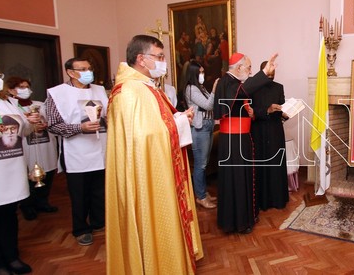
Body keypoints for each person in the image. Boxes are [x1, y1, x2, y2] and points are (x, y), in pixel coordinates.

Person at [106, 35, 203, 274]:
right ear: (141, 59)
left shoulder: (147, 87)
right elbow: (141, 139)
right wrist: (178, 122)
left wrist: (179, 118)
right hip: (144, 173)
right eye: (159, 57)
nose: (163, 62)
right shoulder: (128, 92)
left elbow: (157, 125)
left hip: (160, 162)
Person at [45, 57, 108, 247]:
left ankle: (99, 222)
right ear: (70, 72)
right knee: (80, 194)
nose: (88, 71)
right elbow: (53, 125)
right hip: (76, 152)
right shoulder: (57, 94)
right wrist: (80, 128)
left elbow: (108, 115)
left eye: (90, 68)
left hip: (101, 148)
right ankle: (81, 229)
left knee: (99, 190)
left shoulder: (99, 90)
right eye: (82, 69)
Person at [213, 52, 278, 234]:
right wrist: (264, 72)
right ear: (239, 67)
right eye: (249, 68)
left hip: (239, 138)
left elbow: (237, 103)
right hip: (234, 142)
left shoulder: (231, 82)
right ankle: (238, 221)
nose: (250, 72)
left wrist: (248, 111)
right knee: (237, 179)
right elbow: (244, 91)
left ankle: (241, 217)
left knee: (241, 178)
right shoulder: (228, 82)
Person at [0, 58, 39, 275]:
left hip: (12, 166)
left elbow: (24, 131)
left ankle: (12, 256)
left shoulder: (6, 101)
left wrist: (31, 122)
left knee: (9, 215)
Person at [5, 77, 59, 221]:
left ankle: (43, 202)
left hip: (45, 144)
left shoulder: (40, 105)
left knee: (47, 173)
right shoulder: (11, 107)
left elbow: (52, 122)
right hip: (26, 146)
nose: (26, 90)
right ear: (11, 90)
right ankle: (27, 206)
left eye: (27, 86)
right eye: (21, 87)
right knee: (28, 176)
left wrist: (44, 125)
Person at [251, 61, 289, 211]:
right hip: (259, 131)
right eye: (269, 74)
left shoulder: (279, 87)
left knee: (276, 164)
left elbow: (282, 108)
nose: (271, 77)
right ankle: (262, 201)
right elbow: (251, 111)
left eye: (273, 75)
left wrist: (285, 113)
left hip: (275, 131)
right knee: (262, 165)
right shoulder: (252, 89)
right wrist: (267, 110)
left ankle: (278, 199)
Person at [185, 61, 218, 209]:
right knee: (201, 164)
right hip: (200, 128)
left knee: (205, 163)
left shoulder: (201, 87)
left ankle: (203, 192)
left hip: (208, 125)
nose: (203, 75)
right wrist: (215, 90)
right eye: (200, 72)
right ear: (194, 73)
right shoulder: (191, 89)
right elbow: (208, 105)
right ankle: (201, 197)